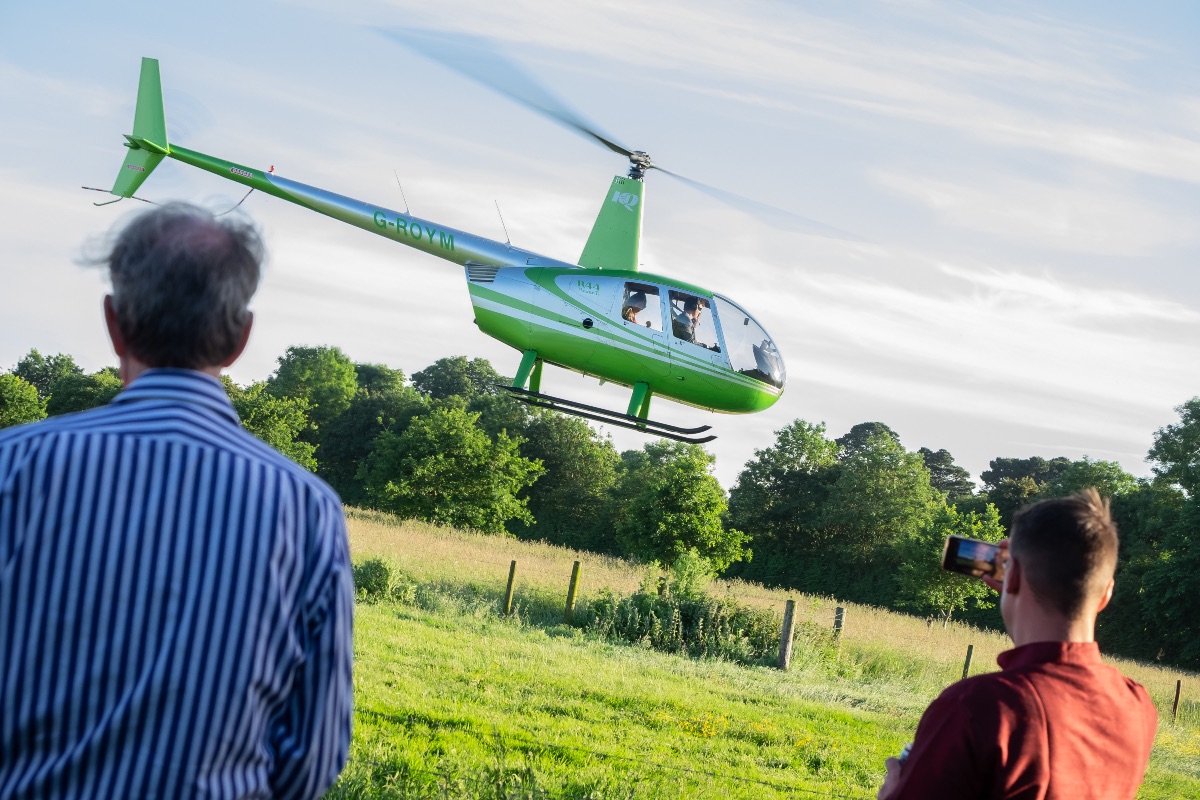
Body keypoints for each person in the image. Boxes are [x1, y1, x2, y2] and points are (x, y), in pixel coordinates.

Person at [0, 203, 354, 799]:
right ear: (241, 338)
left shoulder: (12, 466)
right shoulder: (309, 510)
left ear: (113, 323)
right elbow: (312, 759)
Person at [878, 489, 1157, 800]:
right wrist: (1019, 584)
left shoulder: (979, 706)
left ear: (1013, 575)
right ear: (1106, 593)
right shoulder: (1137, 705)